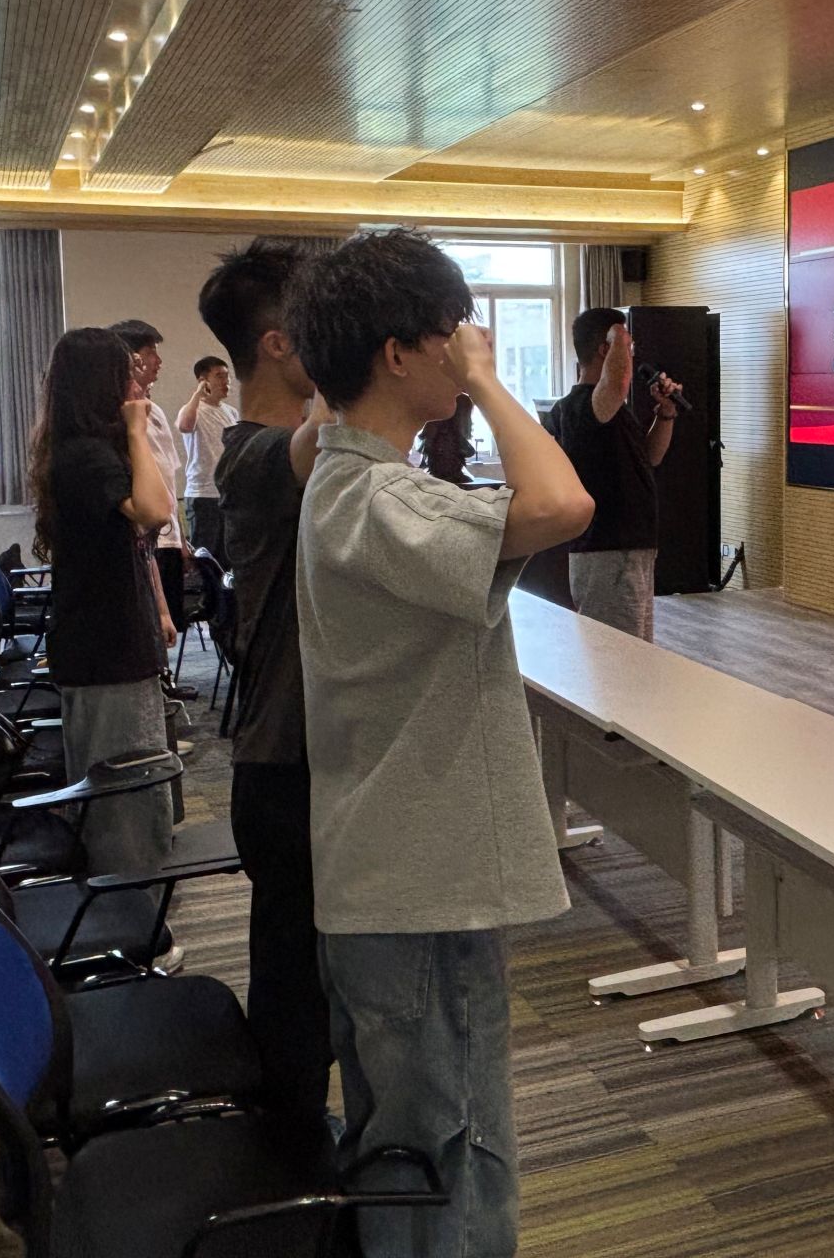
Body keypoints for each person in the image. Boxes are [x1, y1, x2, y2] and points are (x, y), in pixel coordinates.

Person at [287, 229, 593, 1255]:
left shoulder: (339, 476)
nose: (464, 350)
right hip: (419, 882)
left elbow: (314, 436)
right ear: (396, 354)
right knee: (450, 1148)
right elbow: (561, 504)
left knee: (405, 1141)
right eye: (449, 335)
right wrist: (489, 383)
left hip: (384, 866)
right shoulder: (380, 500)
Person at [197, 240, 335, 1139]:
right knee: (293, 993)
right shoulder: (250, 457)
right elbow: (325, 436)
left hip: (302, 757)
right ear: (280, 344)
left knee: (309, 982)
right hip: (283, 767)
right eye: (320, 323)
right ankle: (287, 1161)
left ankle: (295, 1144)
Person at [31, 327, 179, 880]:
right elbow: (156, 510)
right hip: (105, 648)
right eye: (126, 374)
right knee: (124, 792)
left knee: (131, 783)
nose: (136, 385)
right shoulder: (87, 457)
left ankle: (132, 898)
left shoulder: (85, 452)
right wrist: (137, 429)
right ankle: (129, 906)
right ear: (102, 384)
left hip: (108, 643)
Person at [546, 308, 681, 641]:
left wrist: (666, 413)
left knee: (637, 648)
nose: (631, 356)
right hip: (606, 551)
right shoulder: (580, 407)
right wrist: (621, 332)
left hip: (631, 549)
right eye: (628, 347)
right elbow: (618, 382)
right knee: (616, 653)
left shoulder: (614, 411)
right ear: (606, 348)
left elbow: (651, 457)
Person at [110, 319, 186, 648]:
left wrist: (181, 536)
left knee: (168, 624)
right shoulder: (119, 421)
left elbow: (168, 479)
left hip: (166, 533)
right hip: (147, 530)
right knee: (149, 627)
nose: (158, 361)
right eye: (149, 353)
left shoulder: (154, 412)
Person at [177, 354, 238, 555]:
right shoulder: (192, 409)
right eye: (219, 376)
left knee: (229, 555)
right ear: (203, 380)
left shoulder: (231, 412)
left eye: (227, 376)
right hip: (203, 495)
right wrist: (198, 394)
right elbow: (184, 426)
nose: (226, 381)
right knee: (205, 555)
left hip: (228, 493)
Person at [417, 393, 477, 485]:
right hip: (449, 474)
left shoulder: (434, 428)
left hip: (435, 472)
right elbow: (468, 451)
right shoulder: (450, 432)